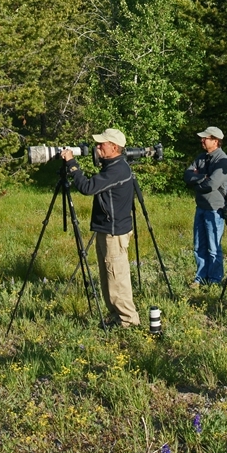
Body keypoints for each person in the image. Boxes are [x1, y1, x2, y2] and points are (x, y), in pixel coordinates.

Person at [60, 128, 140, 329]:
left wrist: (72, 164)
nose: (97, 147)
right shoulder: (111, 166)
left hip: (114, 232)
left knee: (116, 278)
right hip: (106, 228)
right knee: (107, 277)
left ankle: (129, 320)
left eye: (101, 144)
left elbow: (87, 188)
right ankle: (116, 316)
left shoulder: (117, 169)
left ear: (114, 147)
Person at [183, 126, 227, 288]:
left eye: (206, 138)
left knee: (213, 247)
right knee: (199, 246)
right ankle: (200, 277)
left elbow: (211, 184)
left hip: (215, 210)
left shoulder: (222, 160)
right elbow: (187, 175)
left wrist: (197, 179)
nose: (202, 140)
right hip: (201, 207)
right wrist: (202, 177)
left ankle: (215, 279)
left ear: (216, 141)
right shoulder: (202, 157)